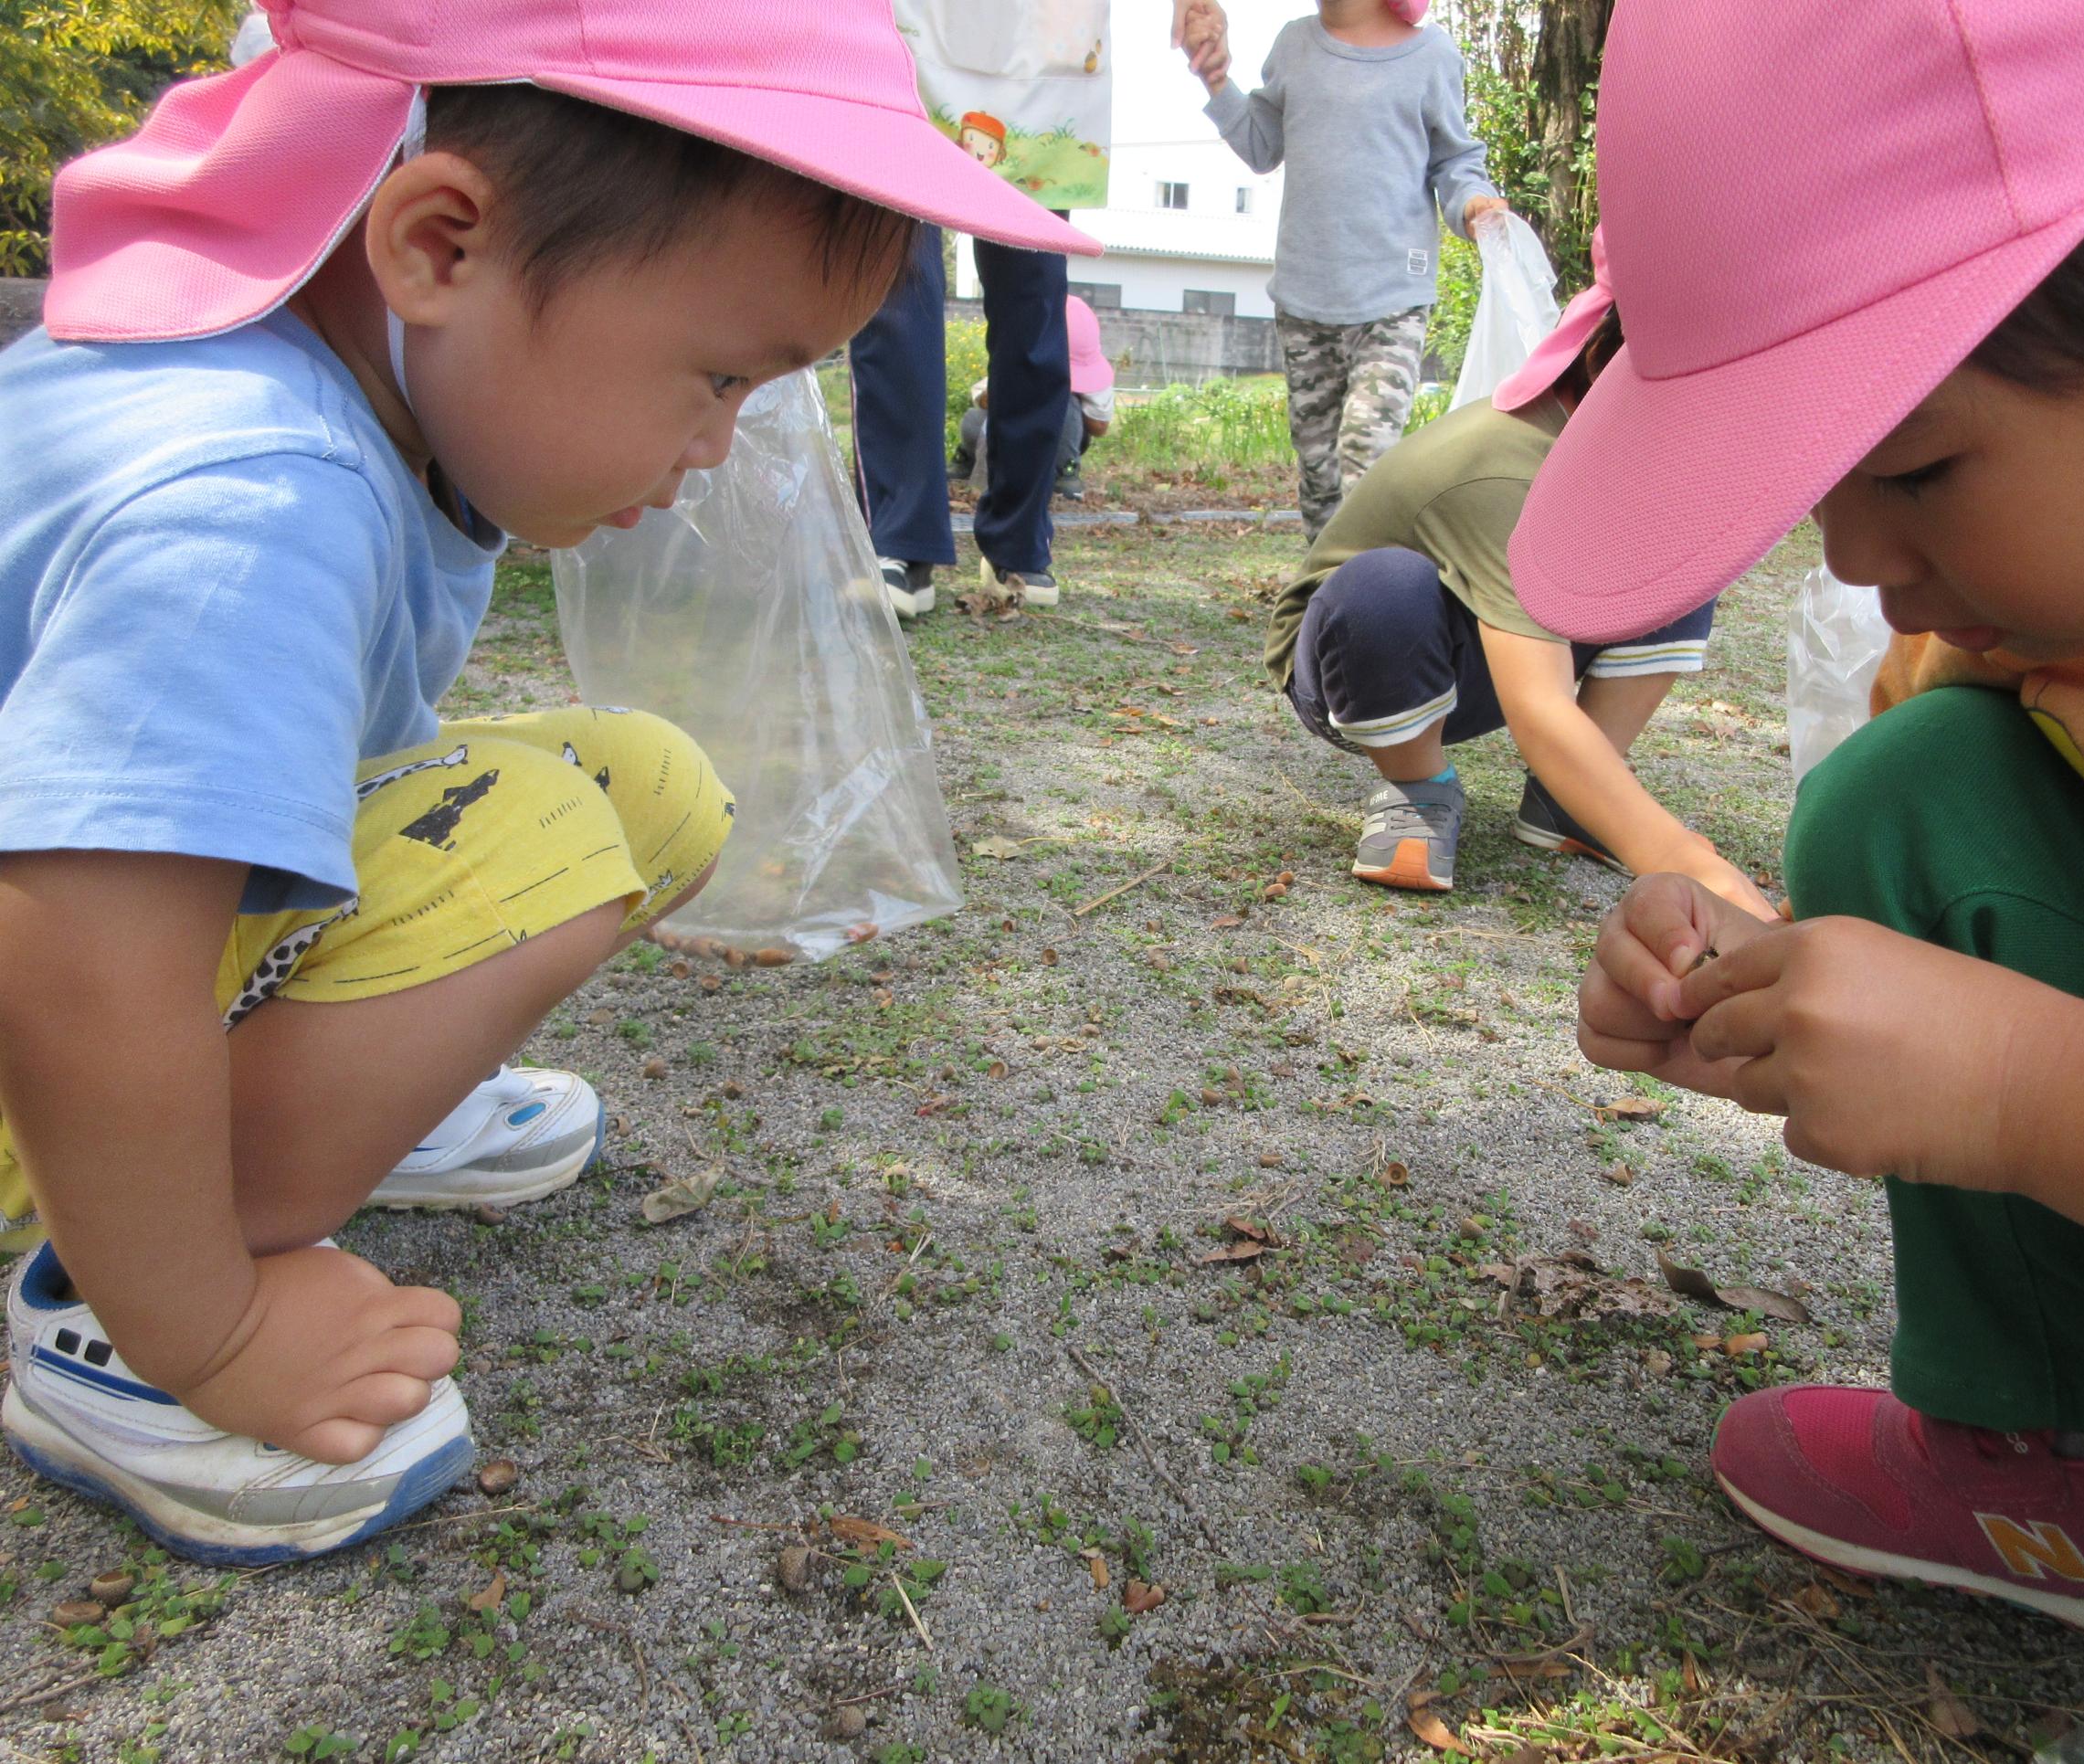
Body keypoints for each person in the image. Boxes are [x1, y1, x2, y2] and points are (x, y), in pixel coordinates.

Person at [0, 0, 1095, 1565]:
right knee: (543, 837)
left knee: (638, 782)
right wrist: (217, 1329)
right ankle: (102, 1307)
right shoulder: (253, 499)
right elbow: (74, 970)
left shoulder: (338, 407)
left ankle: (341, 1104)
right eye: (716, 377)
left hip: (96, 990)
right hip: (51, 1073)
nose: (721, 444)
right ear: (440, 247)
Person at [1528, 0, 2084, 1714]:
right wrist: (1765, 990)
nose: (1850, 551)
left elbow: (2029, 1072)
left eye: (1911, 466)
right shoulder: (2076, 575)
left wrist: (2019, 1083)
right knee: (1913, 790)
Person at [1270, 259, 1771, 914]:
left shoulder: (1617, 453)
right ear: (1597, 361)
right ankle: (1418, 788)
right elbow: (1538, 708)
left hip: (1481, 646)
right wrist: (1685, 863)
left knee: (1674, 551)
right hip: (1360, 664)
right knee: (1383, 591)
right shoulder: (1504, 469)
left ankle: (1571, 800)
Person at [856, 1, 1225, 620]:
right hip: (911, 23)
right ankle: (900, 537)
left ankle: (1018, 539)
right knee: (895, 281)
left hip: (1045, 36)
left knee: (1033, 295)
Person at [1190, 0, 1507, 539]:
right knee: (1319, 474)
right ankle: (1326, 595)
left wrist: (1474, 204)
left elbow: (1455, 161)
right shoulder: (1294, 44)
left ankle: (1370, 597)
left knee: (1365, 453)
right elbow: (1263, 145)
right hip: (1305, 299)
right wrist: (1218, 83)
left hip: (1393, 299)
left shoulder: (1431, 55)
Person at [952, 295, 1117, 503]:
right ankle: (968, 459)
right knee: (974, 419)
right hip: (1012, 436)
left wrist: (1061, 393)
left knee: (1066, 405)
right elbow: (982, 400)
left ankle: (1065, 470)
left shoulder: (1092, 382)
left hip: (1055, 440)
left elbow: (1099, 426)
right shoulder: (1018, 362)